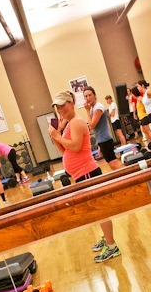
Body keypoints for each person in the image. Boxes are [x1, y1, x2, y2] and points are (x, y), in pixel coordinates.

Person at [48, 90, 120, 263]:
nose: (60, 110)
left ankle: (112, 246)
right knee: (94, 211)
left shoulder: (77, 122)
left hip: (87, 172)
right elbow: (64, 151)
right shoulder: (69, 124)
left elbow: (75, 146)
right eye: (57, 107)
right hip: (81, 174)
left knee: (99, 210)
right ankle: (106, 238)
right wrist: (56, 138)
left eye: (63, 106)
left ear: (71, 103)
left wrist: (58, 136)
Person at [83, 86, 122, 171]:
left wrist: (87, 111)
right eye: (86, 96)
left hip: (105, 140)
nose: (88, 98)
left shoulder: (98, 108)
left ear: (94, 95)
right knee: (113, 165)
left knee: (114, 164)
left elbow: (92, 125)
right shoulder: (94, 108)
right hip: (102, 141)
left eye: (90, 95)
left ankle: (130, 176)